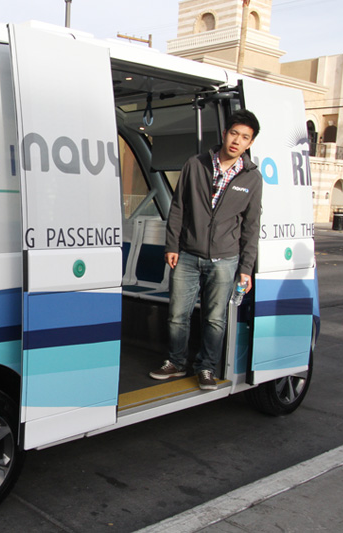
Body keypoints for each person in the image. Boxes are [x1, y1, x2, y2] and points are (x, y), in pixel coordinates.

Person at [149, 109, 263, 391]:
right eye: (234, 133)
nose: (237, 140)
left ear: (250, 143)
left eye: (245, 137)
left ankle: (206, 367)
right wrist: (172, 245)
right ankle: (176, 362)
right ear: (224, 134)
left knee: (215, 319)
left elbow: (251, 226)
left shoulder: (251, 178)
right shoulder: (195, 164)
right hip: (187, 254)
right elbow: (178, 208)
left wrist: (246, 269)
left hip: (225, 259)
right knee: (177, 314)